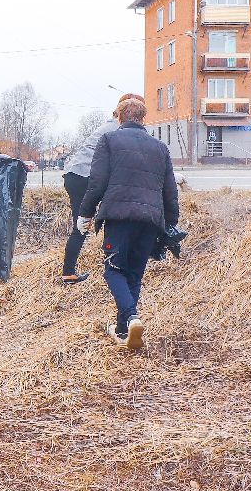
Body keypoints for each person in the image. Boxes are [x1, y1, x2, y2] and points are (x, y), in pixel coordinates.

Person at [76, 98, 178, 346]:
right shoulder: (160, 148)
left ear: (119, 118)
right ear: (144, 119)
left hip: (119, 217)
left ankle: (132, 317)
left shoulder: (109, 140)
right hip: (151, 221)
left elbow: (97, 182)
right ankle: (125, 331)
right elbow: (170, 190)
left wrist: (85, 213)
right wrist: (171, 223)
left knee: (114, 271)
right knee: (134, 274)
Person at [58, 95, 143, 285]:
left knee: (83, 224)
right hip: (84, 177)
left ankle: (71, 271)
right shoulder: (117, 130)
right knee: (89, 222)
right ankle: (110, 267)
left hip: (75, 175)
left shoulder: (110, 126)